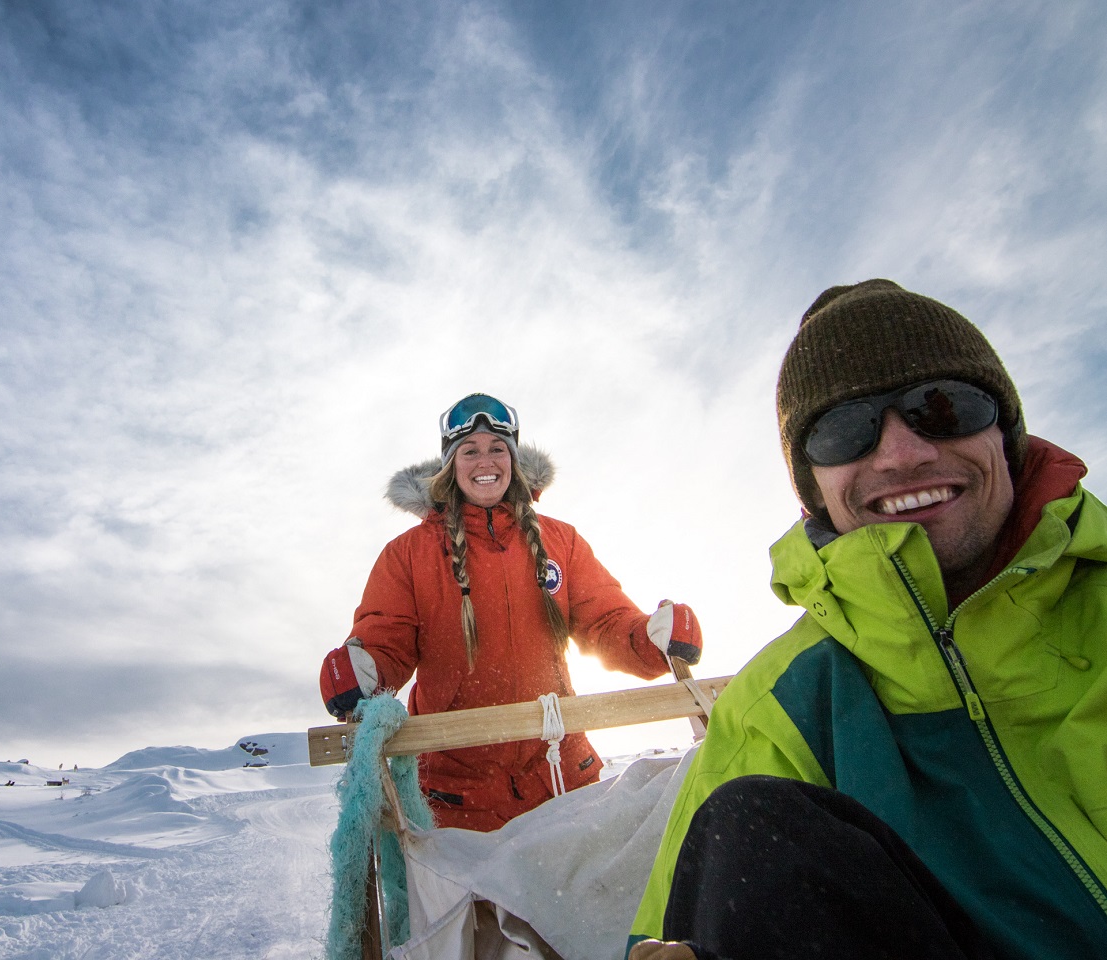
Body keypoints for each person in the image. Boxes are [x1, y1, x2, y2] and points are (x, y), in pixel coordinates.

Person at [628, 280, 1107, 959]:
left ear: (1003, 433)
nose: (900, 454)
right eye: (843, 429)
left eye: (941, 407)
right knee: (753, 826)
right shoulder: (779, 705)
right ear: (811, 486)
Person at [319, 393, 704, 831]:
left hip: (561, 778)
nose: (486, 461)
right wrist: (362, 667)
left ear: (514, 459)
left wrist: (650, 639)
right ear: (451, 464)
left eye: (497, 448)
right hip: (454, 796)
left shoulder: (562, 541)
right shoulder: (408, 555)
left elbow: (604, 622)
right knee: (475, 904)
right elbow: (388, 639)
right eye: (470, 451)